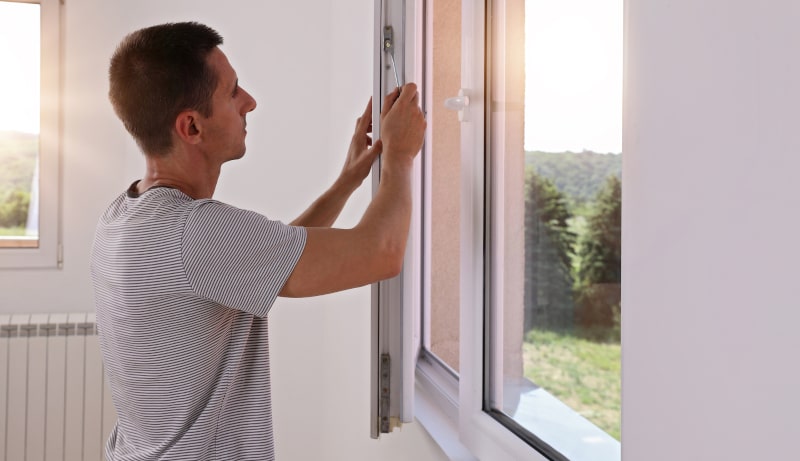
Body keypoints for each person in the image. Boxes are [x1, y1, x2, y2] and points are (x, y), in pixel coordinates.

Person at [90, 22, 425, 461]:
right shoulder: (194, 234)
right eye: (232, 93)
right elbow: (381, 254)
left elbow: (270, 258)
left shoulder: (125, 214)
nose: (250, 102)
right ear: (191, 127)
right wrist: (399, 157)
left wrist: (347, 181)